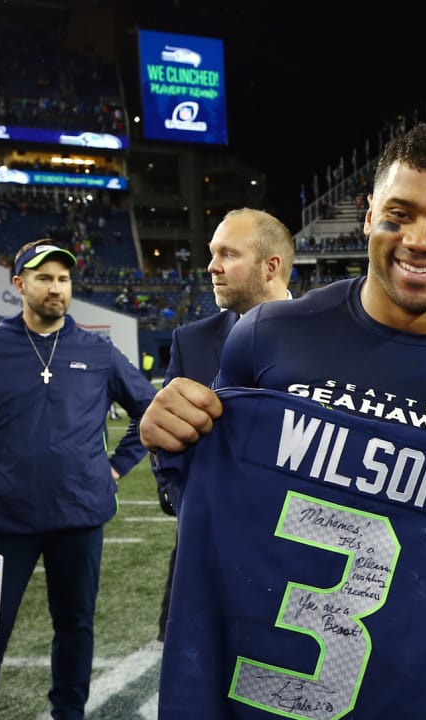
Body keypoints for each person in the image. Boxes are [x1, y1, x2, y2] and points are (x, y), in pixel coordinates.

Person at [139, 122, 426, 718]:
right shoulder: (267, 336)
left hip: (409, 682)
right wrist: (169, 435)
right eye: (400, 214)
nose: (420, 240)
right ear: (367, 216)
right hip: (262, 673)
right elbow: (206, 490)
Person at [0, 239, 158, 718]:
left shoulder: (98, 350)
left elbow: (150, 410)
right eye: (43, 278)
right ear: (20, 284)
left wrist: (118, 465)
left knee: (75, 624)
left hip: (79, 516)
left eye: (62, 278)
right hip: (2, 519)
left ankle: (68, 713)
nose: (56, 288)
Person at [151, 206, 295, 642]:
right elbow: (167, 450)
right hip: (204, 559)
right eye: (213, 253)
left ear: (271, 266)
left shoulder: (329, 336)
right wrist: (180, 496)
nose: (211, 266)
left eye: (228, 254)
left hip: (295, 560)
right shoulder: (189, 340)